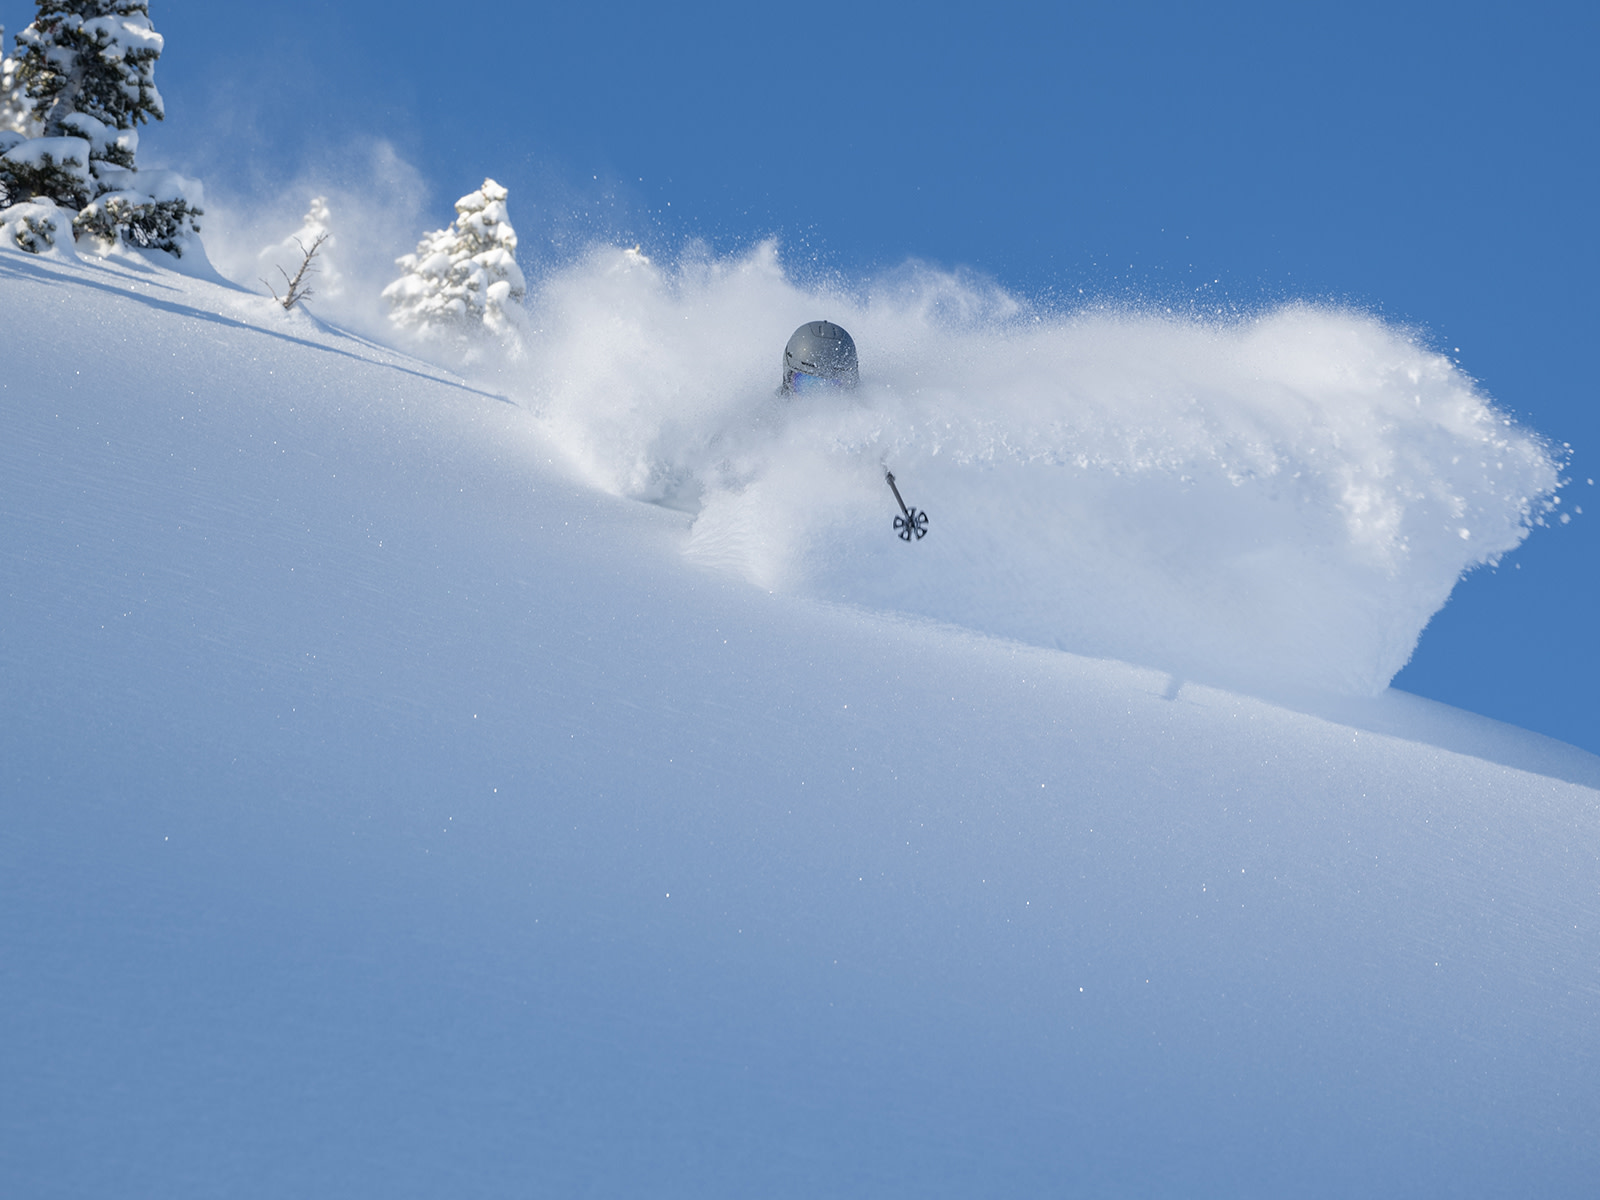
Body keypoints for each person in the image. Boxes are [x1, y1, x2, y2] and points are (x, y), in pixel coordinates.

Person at [780, 320, 859, 395]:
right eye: (807, 386)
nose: (819, 399)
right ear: (788, 382)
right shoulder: (773, 407)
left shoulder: (864, 406)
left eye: (832, 388)